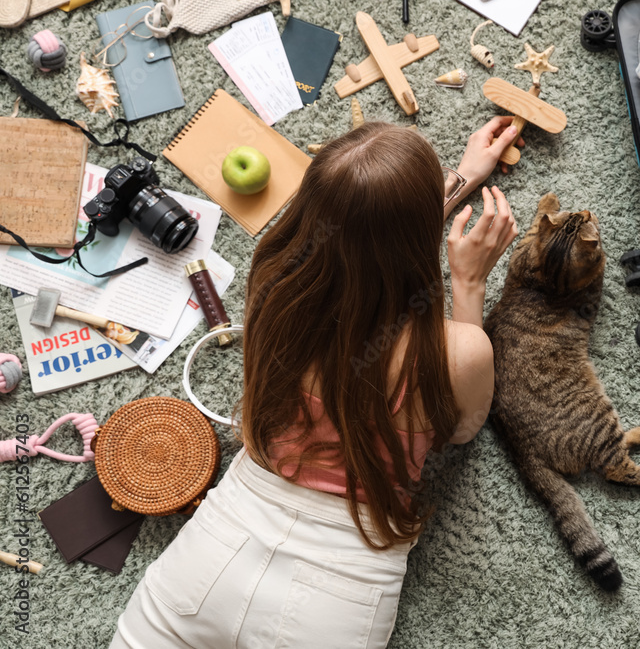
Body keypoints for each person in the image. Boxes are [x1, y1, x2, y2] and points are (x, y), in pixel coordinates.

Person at [110, 118, 525, 648]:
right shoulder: (457, 353)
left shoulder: (273, 286)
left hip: (214, 553)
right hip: (336, 594)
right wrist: (469, 283)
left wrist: (459, 178)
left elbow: (355, 245)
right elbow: (463, 427)